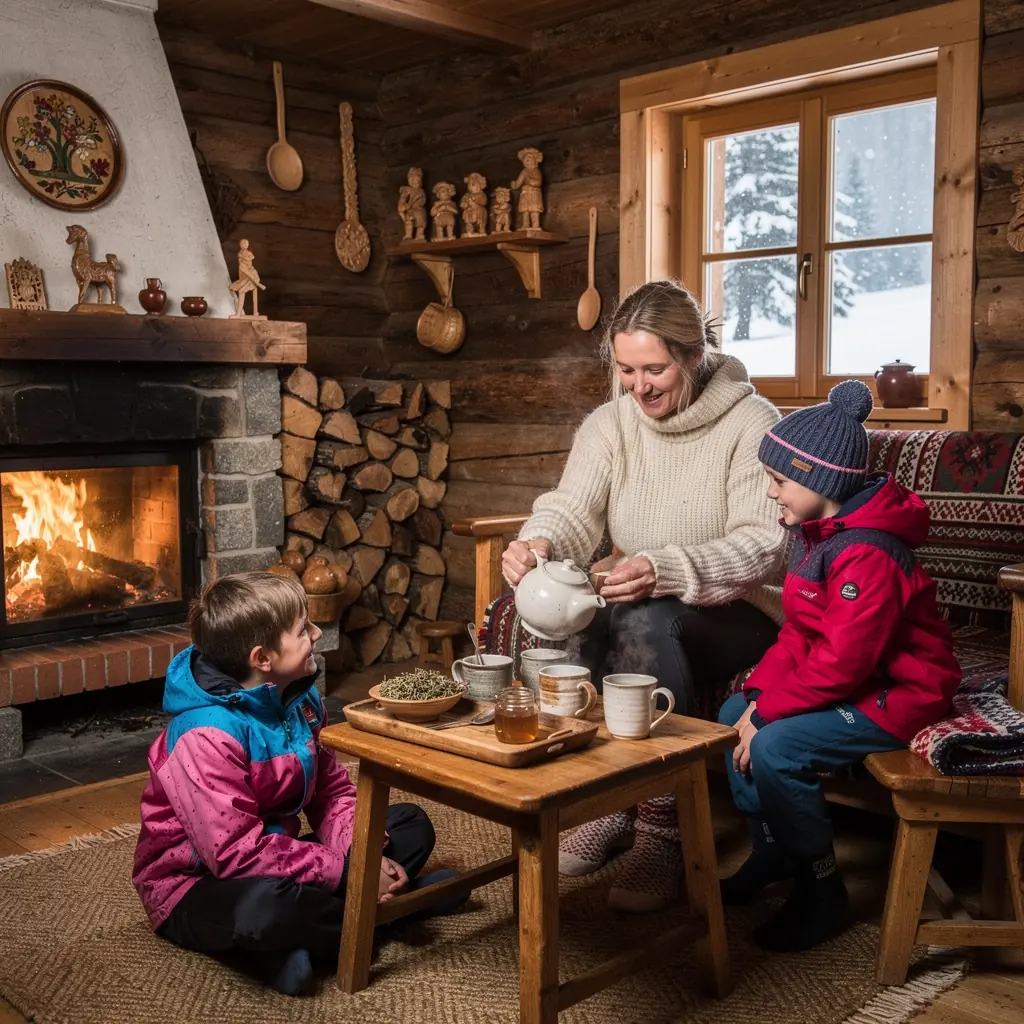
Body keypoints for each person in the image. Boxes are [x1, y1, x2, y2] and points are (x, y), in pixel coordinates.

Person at [502, 280, 787, 912]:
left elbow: (767, 544)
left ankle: (661, 828)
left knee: (642, 622)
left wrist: (667, 568)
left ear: (694, 355)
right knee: (578, 616)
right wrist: (539, 543)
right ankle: (605, 803)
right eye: (626, 370)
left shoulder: (750, 422)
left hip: (743, 609)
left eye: (654, 369)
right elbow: (573, 508)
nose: (639, 386)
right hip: (646, 595)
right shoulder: (612, 424)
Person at [132, 572, 465, 996]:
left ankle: (327, 929)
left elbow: (331, 794)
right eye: (302, 629)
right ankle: (396, 910)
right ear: (263, 658)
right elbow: (234, 855)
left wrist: (358, 854)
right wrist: (349, 873)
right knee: (267, 909)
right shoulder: (204, 736)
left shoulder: (301, 700)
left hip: (277, 855)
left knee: (409, 823)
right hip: (196, 884)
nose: (316, 632)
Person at [718, 380, 961, 952]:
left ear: (819, 480)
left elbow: (843, 662)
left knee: (778, 746)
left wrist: (771, 714)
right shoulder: (812, 533)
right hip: (855, 681)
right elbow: (803, 632)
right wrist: (758, 696)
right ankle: (773, 849)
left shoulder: (869, 552)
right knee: (734, 710)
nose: (771, 492)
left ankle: (820, 888)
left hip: (899, 693)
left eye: (779, 480)